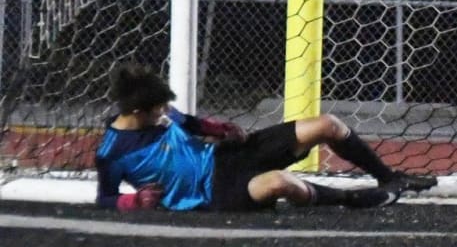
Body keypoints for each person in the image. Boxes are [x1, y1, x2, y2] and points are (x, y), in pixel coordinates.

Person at [95, 63, 437, 212]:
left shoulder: (161, 112)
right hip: (214, 195)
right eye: (158, 109)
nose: (165, 112)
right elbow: (105, 198)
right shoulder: (112, 152)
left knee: (327, 124)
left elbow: (193, 124)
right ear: (136, 111)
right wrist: (132, 201)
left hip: (228, 157)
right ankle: (354, 199)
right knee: (278, 183)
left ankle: (389, 177)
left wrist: (221, 129)